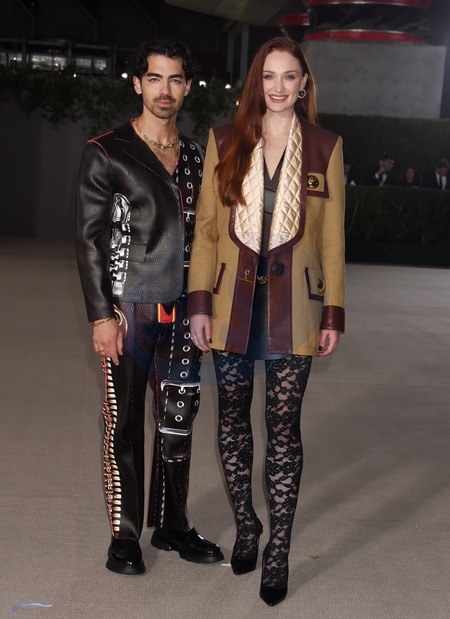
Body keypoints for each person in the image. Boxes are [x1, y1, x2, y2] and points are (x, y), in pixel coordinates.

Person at [188, 36, 345, 606]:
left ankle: (278, 548)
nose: (279, 87)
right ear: (257, 81)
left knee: (283, 427)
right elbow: (208, 230)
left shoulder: (326, 147)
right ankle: (247, 526)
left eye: (289, 76)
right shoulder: (224, 140)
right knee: (232, 420)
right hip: (231, 303)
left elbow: (332, 238)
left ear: (304, 84)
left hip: (294, 307)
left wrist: (333, 312)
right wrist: (199, 303)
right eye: (269, 76)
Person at [75, 37, 223, 576]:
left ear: (187, 87)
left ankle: (173, 524)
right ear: (138, 83)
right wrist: (101, 316)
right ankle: (126, 533)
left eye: (175, 79)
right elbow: (89, 241)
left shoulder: (196, 157)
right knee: (126, 421)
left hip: (185, 311)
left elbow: (209, 236)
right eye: (155, 78)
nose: (165, 90)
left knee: (179, 417)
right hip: (128, 309)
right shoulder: (107, 150)